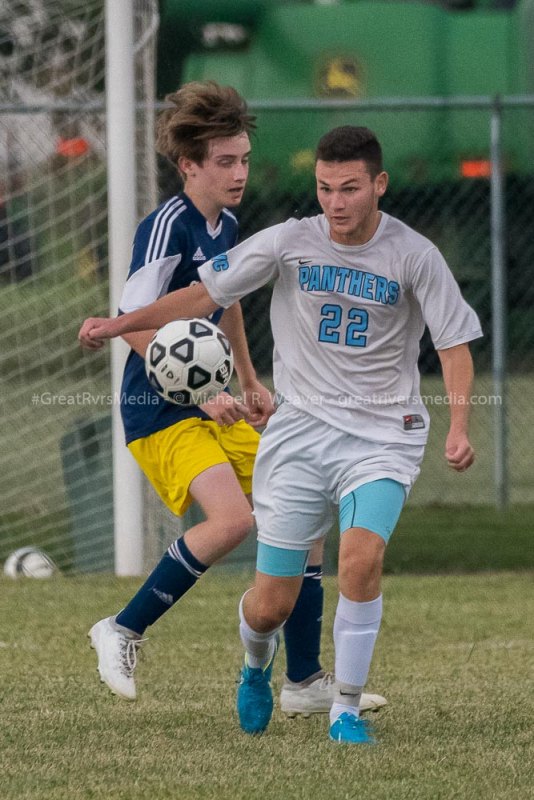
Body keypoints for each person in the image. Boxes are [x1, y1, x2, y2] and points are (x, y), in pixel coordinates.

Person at [77, 124, 479, 744]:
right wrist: (118, 325)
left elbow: (453, 343)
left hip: (382, 437)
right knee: (270, 606)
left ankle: (343, 709)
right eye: (324, 188)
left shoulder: (415, 255)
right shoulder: (289, 240)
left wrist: (459, 426)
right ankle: (257, 665)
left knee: (360, 559)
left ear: (379, 184)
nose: (335, 202)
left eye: (350, 189)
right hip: (299, 439)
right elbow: (202, 296)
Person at [85, 83, 386, 717]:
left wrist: (248, 382)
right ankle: (122, 628)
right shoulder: (166, 225)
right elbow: (134, 322)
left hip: (213, 403)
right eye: (225, 161)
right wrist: (205, 392)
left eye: (244, 159)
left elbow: (229, 303)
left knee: (306, 521)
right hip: (159, 410)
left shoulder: (227, 225)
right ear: (189, 165)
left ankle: (303, 681)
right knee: (233, 522)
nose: (239, 173)